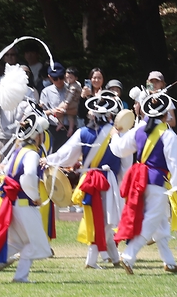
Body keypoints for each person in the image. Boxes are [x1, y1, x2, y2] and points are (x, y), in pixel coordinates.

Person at [46, 92, 127, 269]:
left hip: (89, 180)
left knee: (99, 219)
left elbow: (66, 155)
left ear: (91, 113)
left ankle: (114, 258)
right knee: (104, 221)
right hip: (109, 180)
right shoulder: (117, 133)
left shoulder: (82, 133)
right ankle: (91, 260)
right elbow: (125, 162)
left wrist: (48, 160)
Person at [111, 92, 177, 274]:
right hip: (156, 183)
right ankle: (129, 255)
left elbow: (119, 149)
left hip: (140, 181)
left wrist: (115, 135)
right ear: (165, 114)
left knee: (160, 223)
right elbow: (174, 163)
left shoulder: (138, 130)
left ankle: (169, 261)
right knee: (152, 221)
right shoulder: (168, 135)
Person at [0, 111, 53, 282]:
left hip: (14, 203)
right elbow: (29, 176)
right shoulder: (32, 154)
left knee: (20, 241)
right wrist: (35, 196)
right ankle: (18, 274)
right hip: (25, 204)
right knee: (36, 244)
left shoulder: (18, 151)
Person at [39, 63, 69, 149]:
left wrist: (64, 112)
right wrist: (53, 112)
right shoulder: (46, 92)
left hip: (70, 127)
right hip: (53, 129)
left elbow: (77, 108)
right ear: (50, 77)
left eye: (61, 77)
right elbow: (41, 113)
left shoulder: (71, 89)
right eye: (55, 78)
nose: (59, 80)